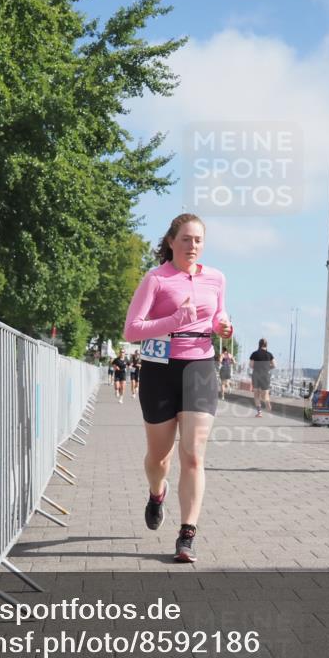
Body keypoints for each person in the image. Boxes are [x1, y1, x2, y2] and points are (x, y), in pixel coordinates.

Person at [123, 213, 232, 562]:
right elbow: (132, 330)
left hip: (199, 365)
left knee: (194, 455)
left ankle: (187, 534)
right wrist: (174, 321)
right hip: (159, 369)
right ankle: (157, 493)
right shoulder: (156, 279)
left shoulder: (216, 278)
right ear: (171, 241)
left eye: (198, 240)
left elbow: (218, 316)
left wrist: (222, 326)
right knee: (159, 458)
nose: (193, 246)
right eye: (186, 239)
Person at [249, 339, 275, 417]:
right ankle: (268, 404)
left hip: (256, 375)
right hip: (265, 375)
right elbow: (274, 365)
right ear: (266, 345)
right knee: (265, 394)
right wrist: (267, 368)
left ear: (259, 344)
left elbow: (251, 365)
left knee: (256, 395)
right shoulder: (269, 354)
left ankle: (259, 412)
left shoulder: (254, 354)